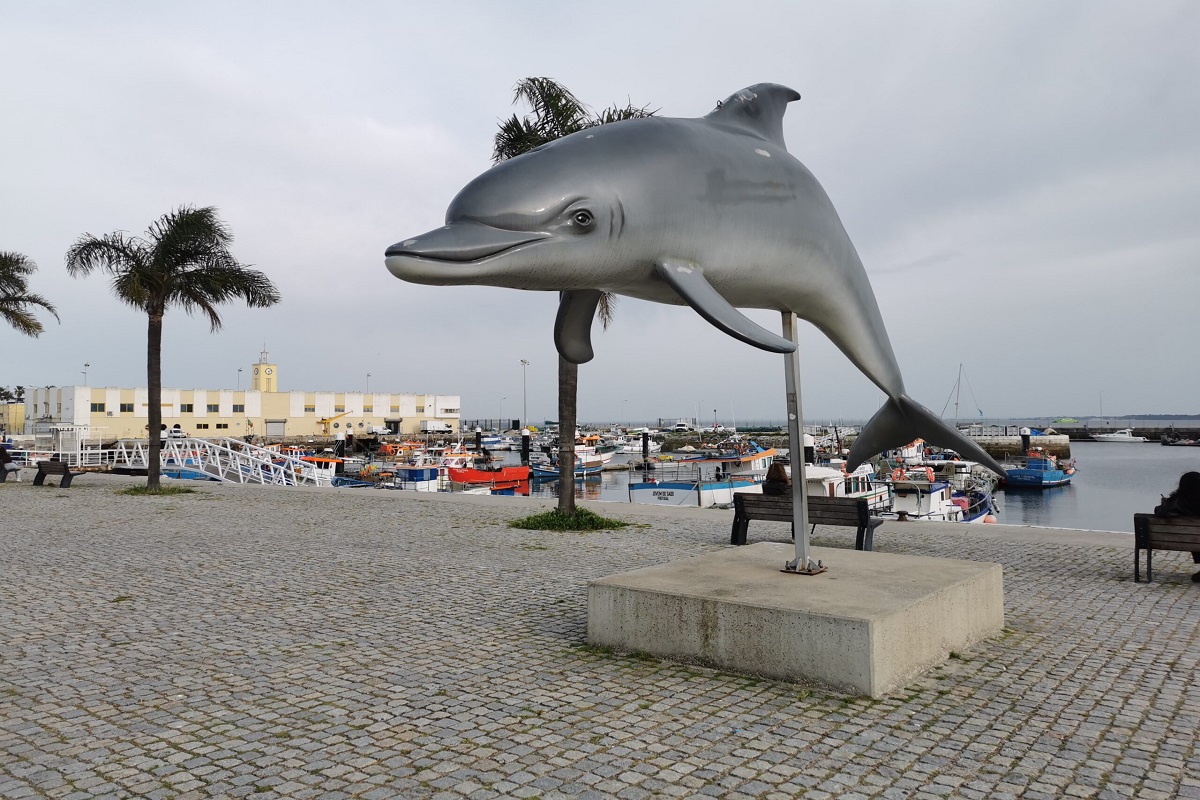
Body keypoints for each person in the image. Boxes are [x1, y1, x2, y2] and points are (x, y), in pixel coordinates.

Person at [1153, 471, 1200, 582]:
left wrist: (1164, 504)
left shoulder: (1177, 502)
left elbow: (1160, 512)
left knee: (1193, 537)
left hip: (1188, 540)